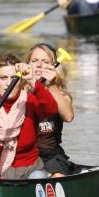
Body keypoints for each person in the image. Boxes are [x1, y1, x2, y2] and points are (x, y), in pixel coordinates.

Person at [0, 52, 58, 187]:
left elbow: (51, 110)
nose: (8, 84)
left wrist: (32, 79)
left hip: (29, 170)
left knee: (38, 177)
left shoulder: (30, 101)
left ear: (20, 80)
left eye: (13, 78)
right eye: (3, 78)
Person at [25, 42, 78, 177]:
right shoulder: (20, 92)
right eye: (34, 61)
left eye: (45, 61)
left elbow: (68, 117)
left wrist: (52, 86)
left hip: (51, 156)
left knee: (58, 176)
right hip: (25, 155)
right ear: (28, 64)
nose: (38, 65)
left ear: (54, 66)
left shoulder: (62, 94)